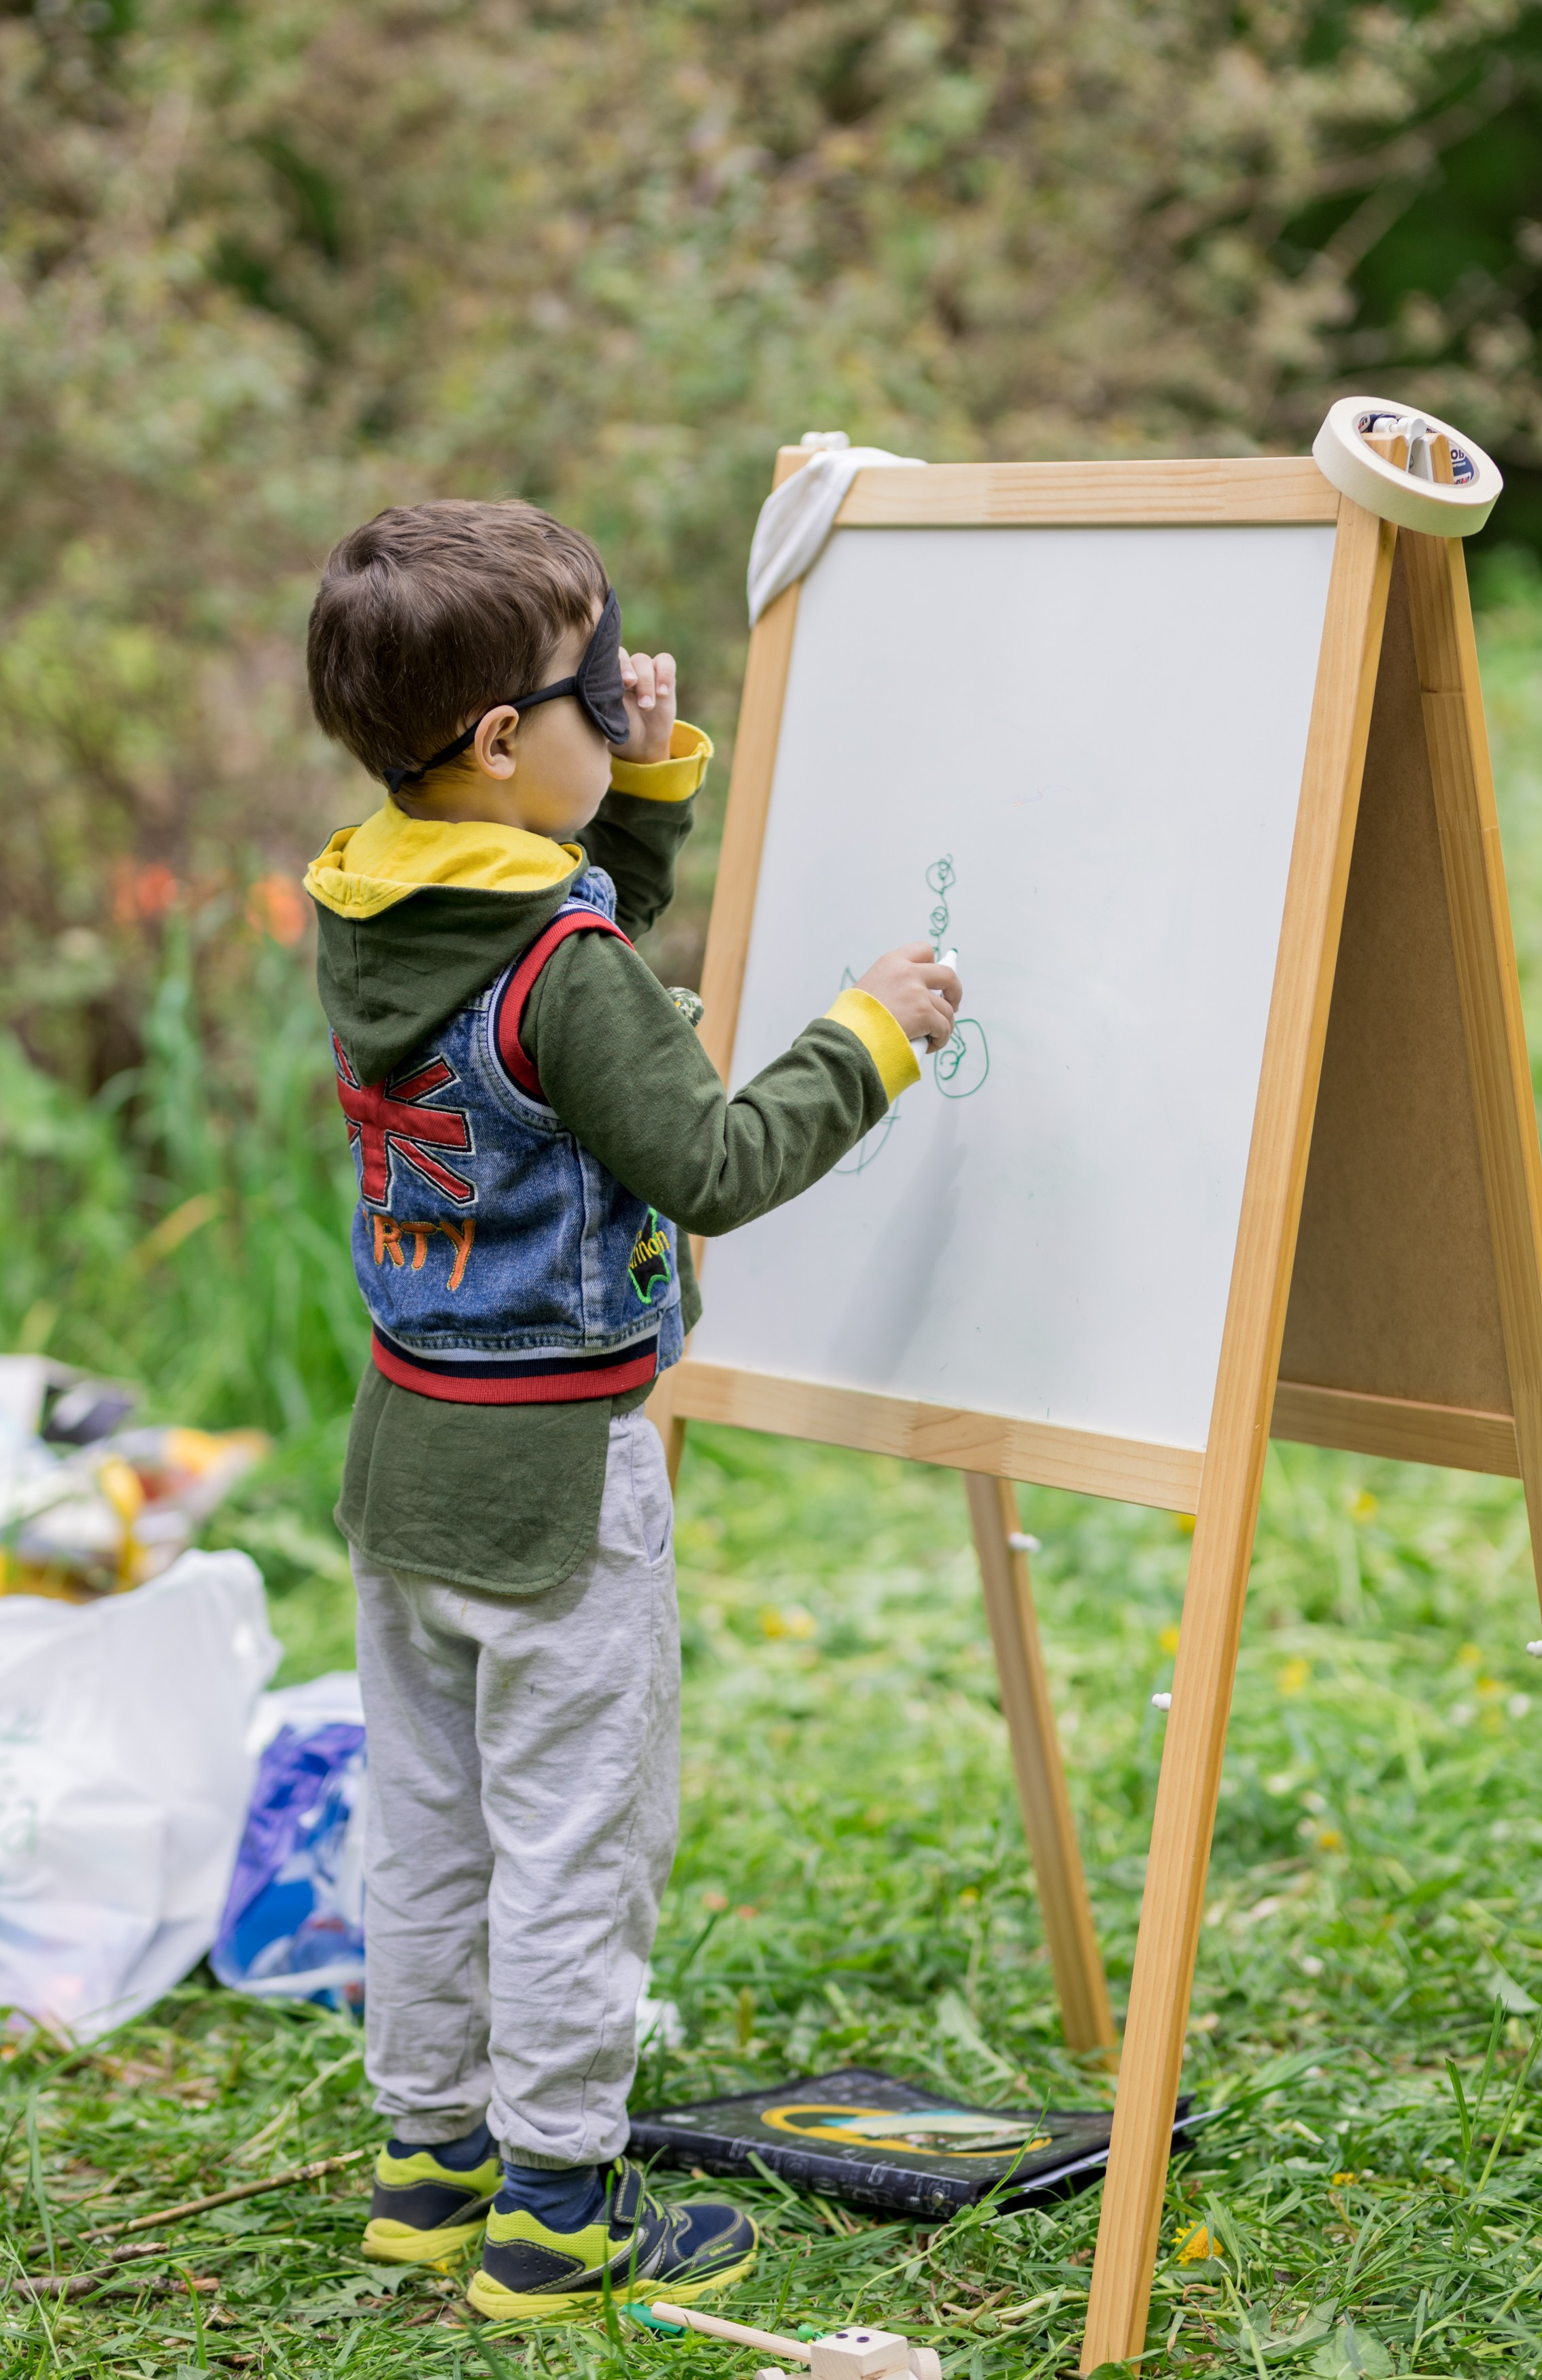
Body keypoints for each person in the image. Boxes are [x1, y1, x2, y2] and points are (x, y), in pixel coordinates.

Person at [301, 497, 960, 2323]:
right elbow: (706, 1150)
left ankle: (429, 2173)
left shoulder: (375, 900)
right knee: (575, 1846)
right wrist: (871, 1035)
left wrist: (644, 778)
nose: (625, 689)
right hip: (559, 1489)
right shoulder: (560, 966)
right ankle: (558, 2220)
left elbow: (561, 967)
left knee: (428, 1832)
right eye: (596, 681)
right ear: (505, 741)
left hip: (405, 1457)